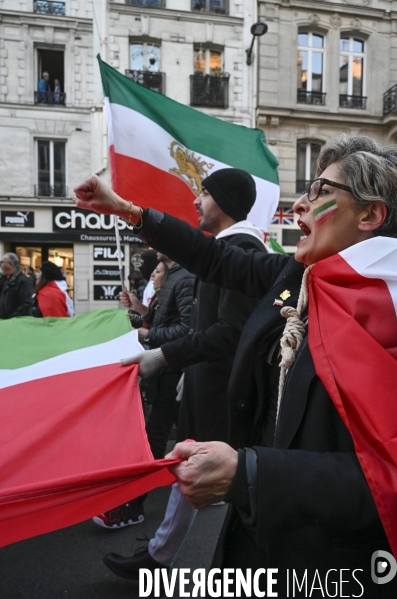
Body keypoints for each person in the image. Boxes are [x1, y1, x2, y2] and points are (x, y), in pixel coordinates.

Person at [75, 136, 397, 597]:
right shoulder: (299, 277)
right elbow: (214, 258)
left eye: (319, 190)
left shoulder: (391, 312)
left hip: (336, 566)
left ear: (370, 215)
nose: (300, 204)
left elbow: (385, 479)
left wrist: (251, 475)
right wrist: (128, 210)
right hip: (259, 537)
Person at [101, 168, 268, 580]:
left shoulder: (242, 250)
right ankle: (162, 554)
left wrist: (164, 355)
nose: (196, 201)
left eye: (205, 193)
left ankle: (165, 558)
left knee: (199, 475)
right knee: (194, 476)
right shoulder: (232, 248)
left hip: (220, 391)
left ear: (225, 203)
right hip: (207, 385)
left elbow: (228, 332)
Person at [93, 255, 194, 528]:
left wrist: (144, 335)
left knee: (153, 439)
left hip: (171, 370)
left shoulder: (184, 277)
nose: (153, 275)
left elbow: (187, 329)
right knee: (162, 436)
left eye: (157, 271)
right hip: (165, 370)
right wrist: (138, 312)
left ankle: (133, 507)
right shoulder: (177, 276)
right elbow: (163, 322)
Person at [0, 253, 32, 319]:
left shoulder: (23, 281)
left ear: (10, 265)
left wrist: (11, 320)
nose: (0, 264)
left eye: (2, 262)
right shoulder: (4, 279)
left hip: (15, 323)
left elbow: (25, 305)